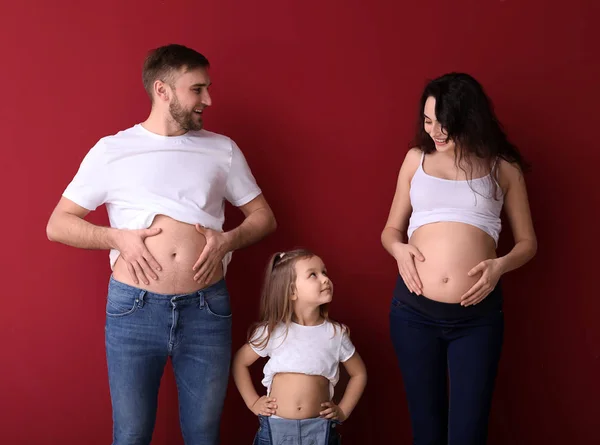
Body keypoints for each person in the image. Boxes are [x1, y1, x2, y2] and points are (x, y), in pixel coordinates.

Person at [46, 44, 276, 445]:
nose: (208, 100)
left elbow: (263, 218)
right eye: (197, 89)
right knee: (132, 433)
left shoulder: (222, 149)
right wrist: (115, 237)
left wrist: (227, 241)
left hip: (206, 308)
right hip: (133, 308)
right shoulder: (112, 150)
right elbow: (58, 224)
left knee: (203, 434)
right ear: (162, 90)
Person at [381, 72, 537, 445]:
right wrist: (399, 249)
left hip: (477, 317)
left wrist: (500, 265)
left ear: (469, 118)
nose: (434, 131)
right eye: (428, 120)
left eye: (444, 122)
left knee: (468, 433)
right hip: (413, 312)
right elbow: (390, 231)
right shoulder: (415, 160)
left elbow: (528, 243)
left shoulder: (503, 168)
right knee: (426, 430)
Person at [232, 249, 367, 445]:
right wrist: (253, 402)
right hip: (275, 429)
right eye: (313, 274)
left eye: (325, 272)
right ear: (291, 291)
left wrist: (343, 410)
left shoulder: (335, 334)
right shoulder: (272, 331)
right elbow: (240, 362)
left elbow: (359, 373)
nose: (325, 279)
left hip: (320, 431)